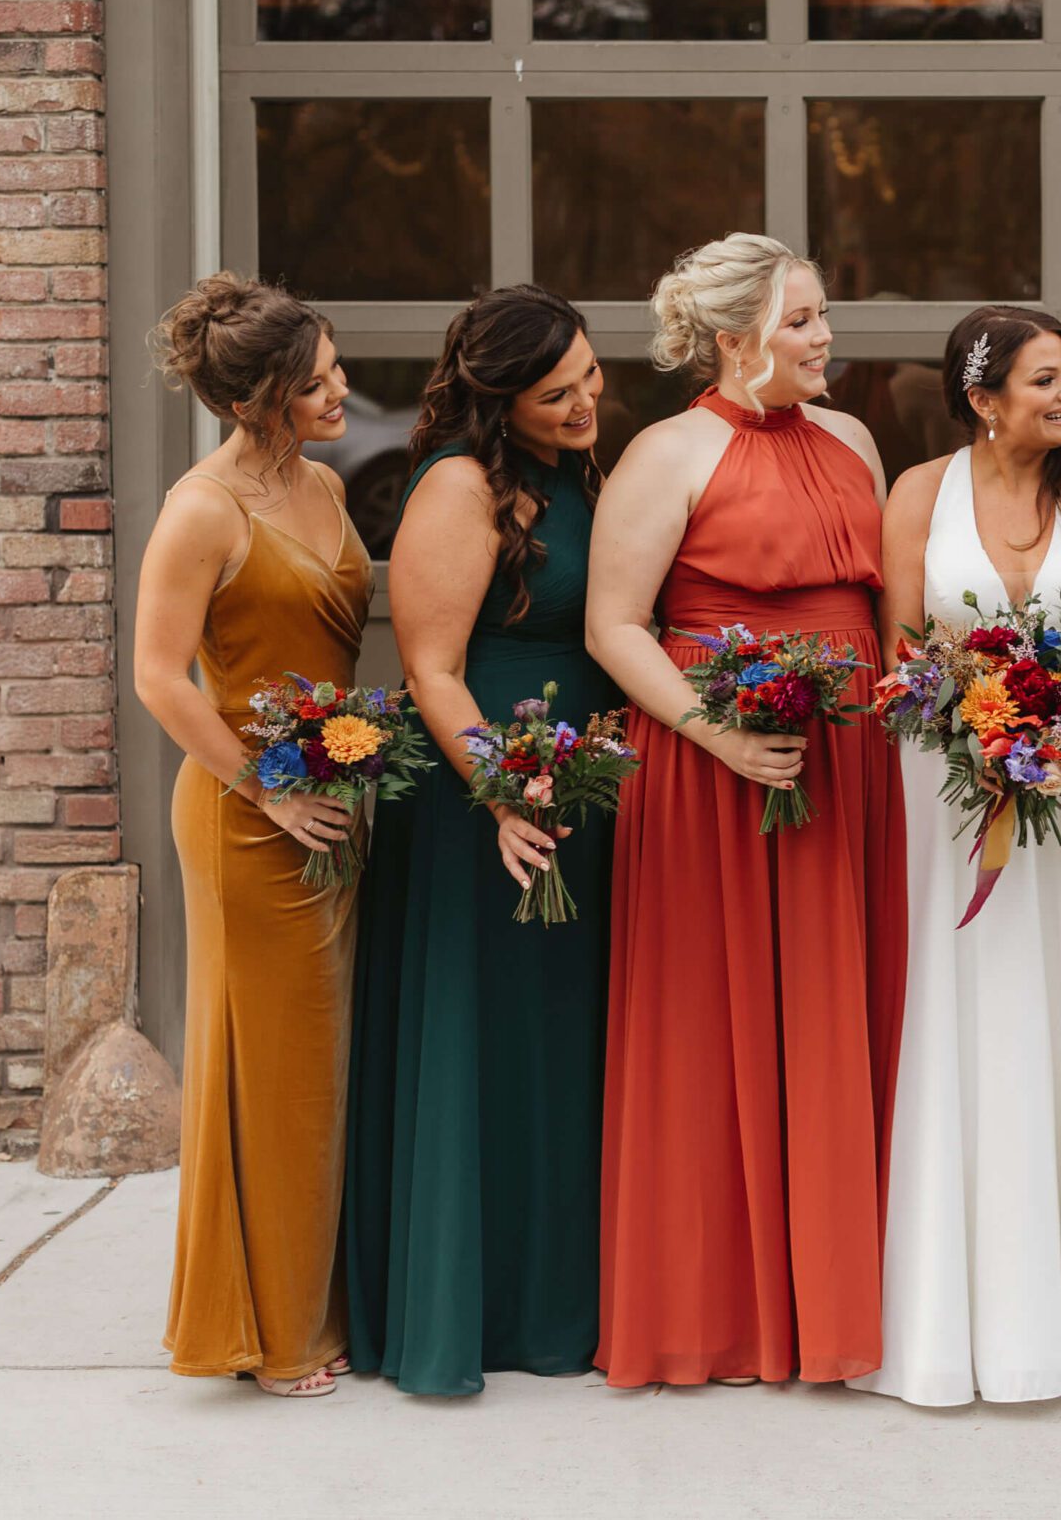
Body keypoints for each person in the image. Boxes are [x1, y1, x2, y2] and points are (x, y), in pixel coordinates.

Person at [850, 305, 1061, 1408]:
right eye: (1045, 381)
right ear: (982, 398)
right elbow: (904, 644)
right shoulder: (917, 494)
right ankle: (955, 1317)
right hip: (951, 793)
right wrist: (972, 720)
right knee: (971, 1010)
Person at [584, 235, 906, 1387]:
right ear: (735, 340)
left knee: (837, 1021)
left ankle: (835, 1304)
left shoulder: (855, 441)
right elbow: (614, 626)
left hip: (847, 774)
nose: (827, 339)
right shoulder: (665, 454)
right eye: (804, 321)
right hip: (711, 779)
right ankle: (712, 1309)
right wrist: (718, 732)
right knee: (707, 1034)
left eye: (823, 316)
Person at [340, 285, 618, 1395]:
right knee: (487, 1042)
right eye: (557, 393)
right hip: (482, 795)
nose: (587, 400)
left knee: (563, 1047)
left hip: (582, 785)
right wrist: (506, 790)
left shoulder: (580, 476)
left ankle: (564, 1299)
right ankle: (472, 1307)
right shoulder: (456, 486)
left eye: (593, 375)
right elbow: (432, 666)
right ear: (498, 400)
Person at [133, 273, 367, 1398]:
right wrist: (268, 788)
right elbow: (157, 676)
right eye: (316, 381)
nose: (339, 391)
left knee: (319, 1068)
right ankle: (269, 1333)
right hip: (245, 815)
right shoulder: (202, 509)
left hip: (336, 801)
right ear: (263, 396)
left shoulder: (322, 483)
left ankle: (313, 1298)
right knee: (266, 1071)